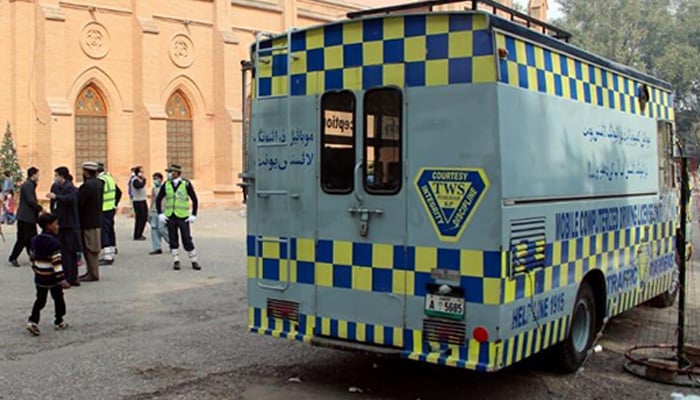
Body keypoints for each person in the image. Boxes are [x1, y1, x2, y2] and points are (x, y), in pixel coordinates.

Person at [26, 212, 69, 336]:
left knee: (40, 300)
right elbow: (57, 263)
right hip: (53, 277)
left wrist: (36, 270)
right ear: (49, 226)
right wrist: (62, 279)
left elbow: (32, 258)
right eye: (56, 224)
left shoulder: (34, 240)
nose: (58, 226)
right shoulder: (54, 243)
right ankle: (59, 321)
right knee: (58, 298)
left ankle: (33, 321)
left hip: (40, 276)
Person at [156, 164, 201, 270]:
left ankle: (193, 260)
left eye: (171, 172)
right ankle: (176, 260)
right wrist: (160, 213)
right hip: (170, 216)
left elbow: (194, 199)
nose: (169, 174)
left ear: (177, 173)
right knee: (173, 238)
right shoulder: (166, 184)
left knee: (187, 238)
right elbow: (159, 199)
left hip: (183, 216)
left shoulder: (186, 184)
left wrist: (194, 214)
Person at [46, 167, 81, 287]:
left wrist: (57, 197)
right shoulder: (55, 187)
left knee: (70, 252)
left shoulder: (70, 187)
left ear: (62, 176)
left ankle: (72, 277)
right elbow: (53, 203)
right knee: (62, 252)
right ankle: (65, 276)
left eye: (57, 175)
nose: (55, 178)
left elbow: (70, 199)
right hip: (59, 223)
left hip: (69, 224)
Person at [9, 167, 42, 267]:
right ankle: (13, 257)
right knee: (23, 239)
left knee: (31, 238)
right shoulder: (28, 185)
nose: (38, 176)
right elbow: (30, 200)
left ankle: (33, 256)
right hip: (25, 217)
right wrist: (39, 208)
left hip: (28, 217)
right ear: (33, 175)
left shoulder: (30, 185)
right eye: (37, 174)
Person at [77, 162, 103, 282]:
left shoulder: (87, 186)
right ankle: (92, 272)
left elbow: (79, 203)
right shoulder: (99, 183)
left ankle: (92, 273)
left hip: (87, 221)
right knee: (94, 247)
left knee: (90, 248)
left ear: (86, 172)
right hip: (97, 219)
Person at [97, 162, 121, 265]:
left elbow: (97, 195)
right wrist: (114, 203)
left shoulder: (101, 180)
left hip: (103, 208)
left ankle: (107, 256)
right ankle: (111, 250)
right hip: (111, 207)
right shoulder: (109, 178)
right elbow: (119, 192)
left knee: (104, 231)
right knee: (110, 229)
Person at [148, 172, 169, 255]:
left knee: (162, 228)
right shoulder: (154, 189)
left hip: (163, 210)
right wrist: (149, 211)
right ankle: (157, 247)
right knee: (154, 229)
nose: (155, 180)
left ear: (161, 179)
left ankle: (172, 242)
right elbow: (152, 199)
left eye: (157, 179)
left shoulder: (166, 188)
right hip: (154, 211)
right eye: (154, 179)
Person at [130, 166, 148, 240]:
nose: (142, 173)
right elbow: (139, 186)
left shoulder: (140, 179)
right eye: (141, 171)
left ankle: (140, 233)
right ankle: (137, 235)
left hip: (143, 200)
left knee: (144, 217)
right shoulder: (135, 180)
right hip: (138, 201)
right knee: (140, 218)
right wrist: (144, 180)